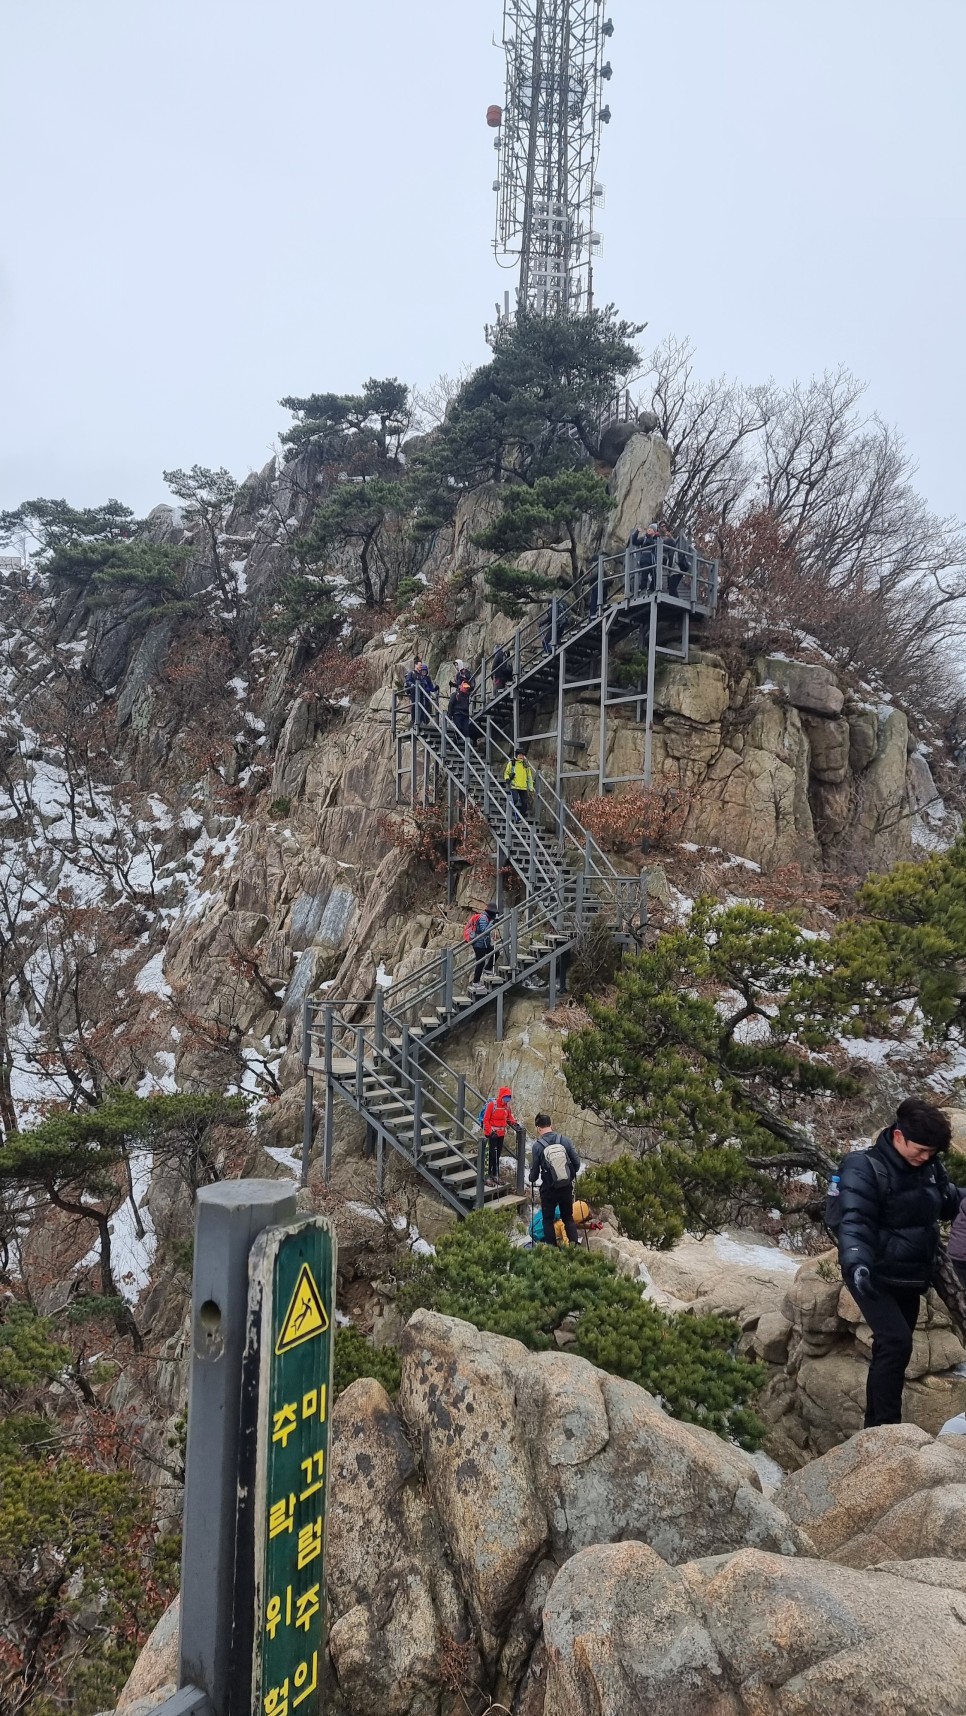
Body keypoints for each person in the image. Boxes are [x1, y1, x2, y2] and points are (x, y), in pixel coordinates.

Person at [837, 1097, 963, 1428]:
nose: (926, 1157)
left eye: (932, 1152)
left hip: (908, 1275)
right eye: (920, 1149)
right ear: (897, 1136)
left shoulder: (930, 1168)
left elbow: (948, 1201)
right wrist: (856, 1262)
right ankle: (885, 1428)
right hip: (870, 1273)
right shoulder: (862, 1167)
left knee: (892, 1350)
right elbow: (853, 1221)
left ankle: (875, 1426)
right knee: (896, 1342)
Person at [529, 1113, 581, 1246]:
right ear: (551, 1125)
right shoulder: (565, 1140)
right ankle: (574, 1246)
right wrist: (569, 1178)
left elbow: (534, 1173)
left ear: (538, 1128)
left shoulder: (537, 1146)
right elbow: (576, 1163)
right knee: (568, 1218)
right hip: (565, 1187)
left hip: (549, 1189)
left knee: (547, 1219)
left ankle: (552, 1251)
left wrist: (532, 1178)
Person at [482, 1084, 517, 1182]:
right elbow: (486, 1120)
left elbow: (509, 1117)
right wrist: (490, 1131)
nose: (506, 1101)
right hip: (492, 1134)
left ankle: (495, 1175)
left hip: (501, 1134)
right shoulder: (492, 1105)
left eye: (508, 1098)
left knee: (497, 1155)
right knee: (491, 1155)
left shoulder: (506, 1107)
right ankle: (487, 1176)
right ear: (501, 1097)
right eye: (505, 1098)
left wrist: (515, 1124)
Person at [469, 901, 499, 989]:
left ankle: (487, 969)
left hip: (484, 944)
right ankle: (476, 982)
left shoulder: (488, 918)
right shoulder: (483, 918)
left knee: (495, 952)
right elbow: (484, 931)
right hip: (478, 944)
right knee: (480, 962)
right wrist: (492, 924)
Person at [404, 660, 437, 729]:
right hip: (414, 693)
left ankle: (422, 721)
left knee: (422, 706)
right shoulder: (411, 673)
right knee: (414, 706)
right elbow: (408, 681)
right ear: (416, 665)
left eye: (421, 665)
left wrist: (430, 688)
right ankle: (414, 720)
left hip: (421, 694)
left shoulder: (421, 675)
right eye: (420, 665)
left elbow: (425, 684)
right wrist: (412, 684)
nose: (421, 667)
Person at [504, 749, 535, 820]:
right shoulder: (511, 763)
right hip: (514, 785)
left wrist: (531, 787)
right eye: (520, 755)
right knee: (514, 799)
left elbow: (529, 777)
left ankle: (520, 817)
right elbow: (506, 773)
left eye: (522, 755)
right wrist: (508, 779)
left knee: (525, 803)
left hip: (523, 787)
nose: (521, 756)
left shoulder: (526, 765)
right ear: (517, 755)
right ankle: (508, 812)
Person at [630, 524, 658, 594]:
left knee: (655, 576)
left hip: (652, 560)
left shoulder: (656, 539)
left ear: (654, 531)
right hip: (644, 559)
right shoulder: (644, 538)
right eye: (648, 528)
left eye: (651, 529)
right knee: (644, 576)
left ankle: (651, 589)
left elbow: (652, 544)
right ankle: (643, 590)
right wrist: (637, 532)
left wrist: (651, 536)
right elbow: (634, 542)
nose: (648, 529)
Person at [447, 673, 474, 743]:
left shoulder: (467, 696)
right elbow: (451, 704)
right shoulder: (456, 695)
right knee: (458, 728)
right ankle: (455, 743)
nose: (466, 688)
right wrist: (449, 714)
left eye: (467, 687)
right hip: (457, 714)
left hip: (465, 715)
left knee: (466, 731)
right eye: (465, 686)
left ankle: (466, 747)